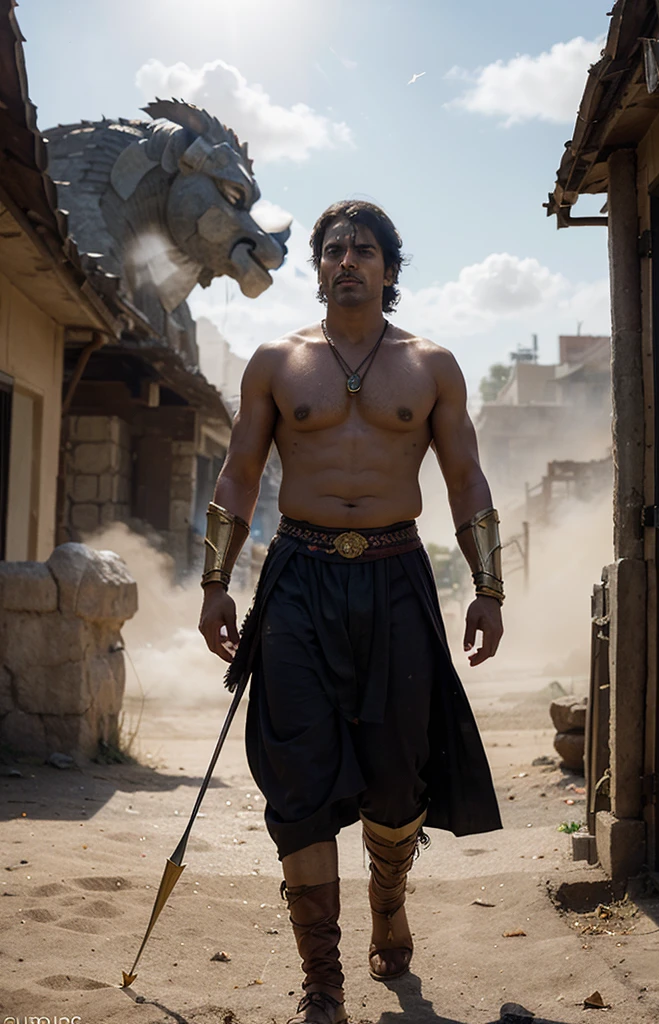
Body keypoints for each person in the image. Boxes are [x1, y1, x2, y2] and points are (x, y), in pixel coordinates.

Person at [198, 200, 503, 1024]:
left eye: (364, 249)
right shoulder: (276, 360)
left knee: (398, 769)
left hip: (397, 574)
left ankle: (390, 897)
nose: (347, 260)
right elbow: (238, 475)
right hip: (297, 576)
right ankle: (322, 972)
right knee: (296, 768)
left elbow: (466, 481)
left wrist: (488, 588)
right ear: (319, 267)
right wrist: (215, 582)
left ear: (389, 270)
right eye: (334, 249)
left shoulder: (432, 365)